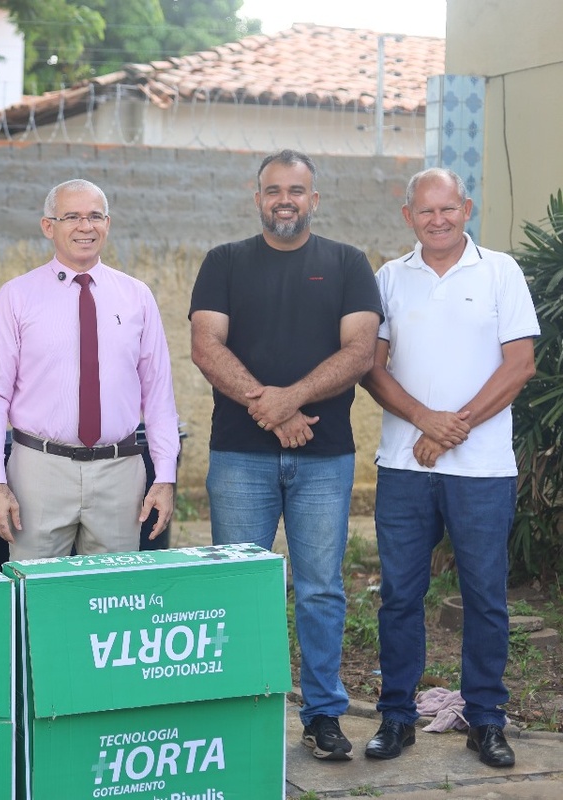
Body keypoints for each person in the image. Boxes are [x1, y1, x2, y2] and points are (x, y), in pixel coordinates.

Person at [189, 149, 382, 762]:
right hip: (239, 457)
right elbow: (205, 346)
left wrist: (289, 400)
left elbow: (360, 352)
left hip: (324, 459)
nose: (285, 200)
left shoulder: (348, 263)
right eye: (273, 190)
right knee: (239, 586)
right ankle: (240, 712)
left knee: (321, 589)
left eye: (296, 191)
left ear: (314, 199)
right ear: (258, 198)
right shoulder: (224, 261)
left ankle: (323, 714)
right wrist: (270, 408)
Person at [360, 168, 538, 767]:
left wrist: (451, 427)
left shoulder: (501, 272)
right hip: (404, 467)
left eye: (448, 208)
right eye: (425, 210)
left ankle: (486, 721)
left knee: (485, 597)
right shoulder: (389, 277)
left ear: (467, 208)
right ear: (407, 215)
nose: (437, 220)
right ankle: (396, 716)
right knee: (399, 597)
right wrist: (424, 421)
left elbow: (520, 365)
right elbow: (371, 367)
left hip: (482, 471)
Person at [0, 179, 180, 560]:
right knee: (35, 587)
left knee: (112, 589)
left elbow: (159, 396)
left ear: (107, 224)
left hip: (119, 473)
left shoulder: (137, 296)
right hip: (38, 472)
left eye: (95, 216)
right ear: (48, 226)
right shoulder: (16, 296)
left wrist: (165, 476)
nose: (85, 227)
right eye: (71, 217)